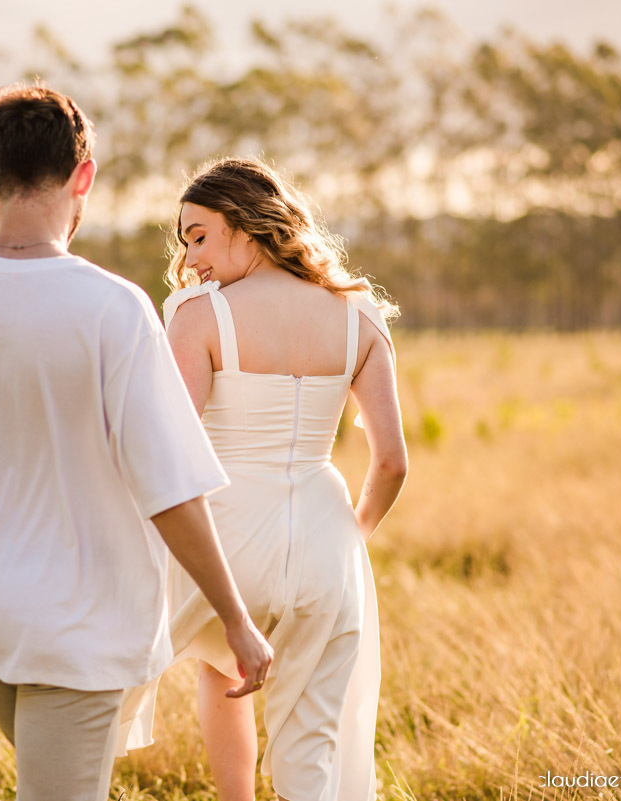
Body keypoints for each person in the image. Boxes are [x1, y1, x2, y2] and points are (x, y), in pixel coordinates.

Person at [0, 87, 272, 801]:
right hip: (75, 627)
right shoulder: (113, 307)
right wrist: (236, 620)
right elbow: (169, 487)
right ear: (84, 177)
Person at [117, 158, 408, 801]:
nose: (191, 258)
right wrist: (347, 536)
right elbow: (391, 463)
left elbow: (171, 444)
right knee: (311, 735)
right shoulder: (360, 316)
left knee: (213, 667)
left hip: (223, 536)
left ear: (247, 229)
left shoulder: (198, 314)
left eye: (199, 236)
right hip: (324, 536)